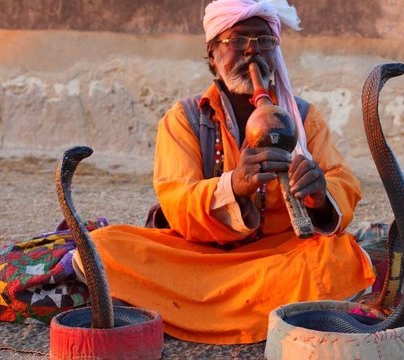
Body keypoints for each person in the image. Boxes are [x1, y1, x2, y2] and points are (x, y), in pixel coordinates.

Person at [73, 0, 374, 344]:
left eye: (264, 41)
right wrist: (233, 186)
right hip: (199, 259)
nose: (253, 52)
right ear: (213, 55)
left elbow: (343, 178)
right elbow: (175, 198)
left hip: (280, 257)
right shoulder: (184, 118)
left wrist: (320, 194)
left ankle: (184, 314)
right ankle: (283, 315)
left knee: (344, 256)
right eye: (238, 40)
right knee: (101, 247)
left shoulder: (303, 117)